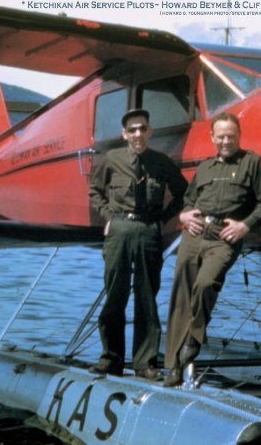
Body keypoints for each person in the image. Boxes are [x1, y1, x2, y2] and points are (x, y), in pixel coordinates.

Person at [163, 112, 261, 387]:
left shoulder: (254, 163)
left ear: (238, 136)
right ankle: (174, 367)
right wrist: (183, 216)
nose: (226, 141)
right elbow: (189, 199)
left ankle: (193, 339)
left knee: (204, 284)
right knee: (181, 295)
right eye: (221, 136)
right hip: (194, 233)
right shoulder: (205, 168)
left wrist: (245, 226)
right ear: (213, 138)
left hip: (223, 238)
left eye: (231, 136)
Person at [89, 108, 188, 381]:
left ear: (150, 131)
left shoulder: (161, 162)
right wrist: (109, 217)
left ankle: (145, 364)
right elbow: (95, 191)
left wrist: (163, 221)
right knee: (115, 294)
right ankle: (111, 359)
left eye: (142, 128)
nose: (137, 134)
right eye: (132, 129)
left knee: (147, 296)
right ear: (124, 134)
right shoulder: (112, 159)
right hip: (120, 229)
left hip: (148, 231)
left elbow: (183, 193)